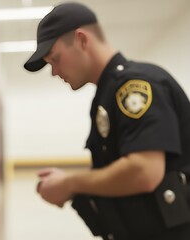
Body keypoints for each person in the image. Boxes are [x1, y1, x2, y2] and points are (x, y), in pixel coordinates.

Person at [24, 2, 190, 240]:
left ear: (82, 39)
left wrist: (71, 183)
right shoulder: (108, 94)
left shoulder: (135, 87)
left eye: (55, 59)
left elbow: (145, 172)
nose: (54, 72)